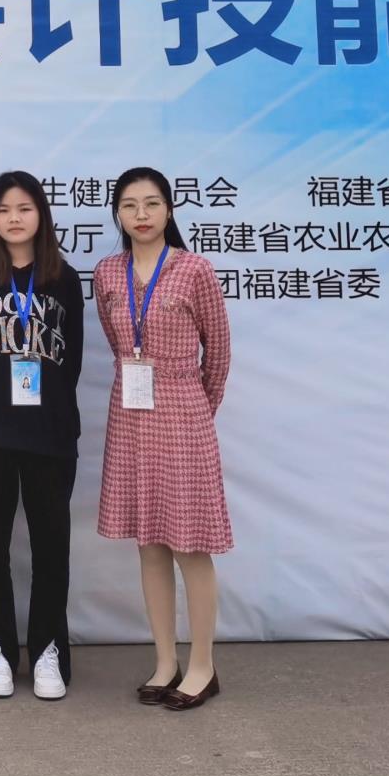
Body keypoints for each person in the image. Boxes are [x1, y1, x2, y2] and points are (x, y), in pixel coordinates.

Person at [94, 167, 232, 711]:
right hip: (130, 416)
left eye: (152, 203)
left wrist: (195, 409)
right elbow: (117, 343)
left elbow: (218, 353)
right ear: (118, 214)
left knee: (190, 546)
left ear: (170, 209)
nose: (142, 214)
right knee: (149, 544)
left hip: (182, 415)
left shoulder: (195, 269)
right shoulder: (107, 272)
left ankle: (203, 666)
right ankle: (165, 661)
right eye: (130, 205)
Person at [0, 171, 85, 701]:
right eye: (4, 209)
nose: (14, 218)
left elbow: (72, 359)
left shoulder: (63, 279)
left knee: (52, 548)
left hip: (49, 434)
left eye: (24, 208)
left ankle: (48, 649)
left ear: (41, 215)